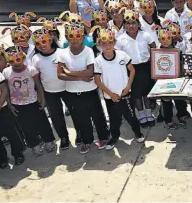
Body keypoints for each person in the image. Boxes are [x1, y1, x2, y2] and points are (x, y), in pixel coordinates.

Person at [57, 22, 110, 154]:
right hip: (72, 92)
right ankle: (87, 140)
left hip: (90, 90)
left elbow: (90, 72)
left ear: (83, 36)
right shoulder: (62, 53)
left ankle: (103, 137)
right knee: (81, 118)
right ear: (66, 37)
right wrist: (79, 77)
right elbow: (60, 75)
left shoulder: (88, 51)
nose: (75, 39)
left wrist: (70, 73)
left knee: (97, 115)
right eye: (71, 36)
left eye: (78, 36)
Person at [93, 28, 146, 150]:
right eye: (104, 43)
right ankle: (114, 137)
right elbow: (97, 81)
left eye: (110, 42)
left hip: (125, 94)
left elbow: (132, 70)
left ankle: (137, 132)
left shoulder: (122, 55)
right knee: (114, 120)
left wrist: (128, 87)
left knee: (131, 116)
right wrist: (111, 94)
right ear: (99, 44)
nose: (107, 46)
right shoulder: (98, 61)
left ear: (114, 42)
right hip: (110, 97)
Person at [2, 46, 56, 156]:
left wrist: (42, 98)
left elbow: (38, 85)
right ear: (8, 61)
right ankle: (34, 145)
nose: (16, 63)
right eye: (12, 61)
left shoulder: (31, 70)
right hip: (18, 105)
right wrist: (9, 104)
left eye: (18, 59)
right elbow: (6, 89)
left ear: (23, 58)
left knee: (42, 123)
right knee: (26, 126)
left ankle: (48, 141)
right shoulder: (6, 72)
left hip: (34, 102)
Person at [30, 29, 72, 150]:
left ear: (51, 40)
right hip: (49, 92)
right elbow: (37, 79)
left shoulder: (62, 52)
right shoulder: (36, 58)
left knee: (75, 112)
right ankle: (64, 137)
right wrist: (41, 97)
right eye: (38, 43)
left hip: (67, 89)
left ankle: (79, 133)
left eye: (44, 41)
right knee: (56, 117)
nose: (42, 45)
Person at [114, 10, 157, 127]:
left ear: (138, 24)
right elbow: (117, 55)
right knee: (136, 94)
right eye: (128, 23)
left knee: (146, 92)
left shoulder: (145, 35)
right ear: (124, 25)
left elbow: (154, 47)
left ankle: (149, 113)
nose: (131, 26)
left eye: (134, 23)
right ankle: (142, 115)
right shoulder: (120, 39)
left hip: (145, 67)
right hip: (131, 70)